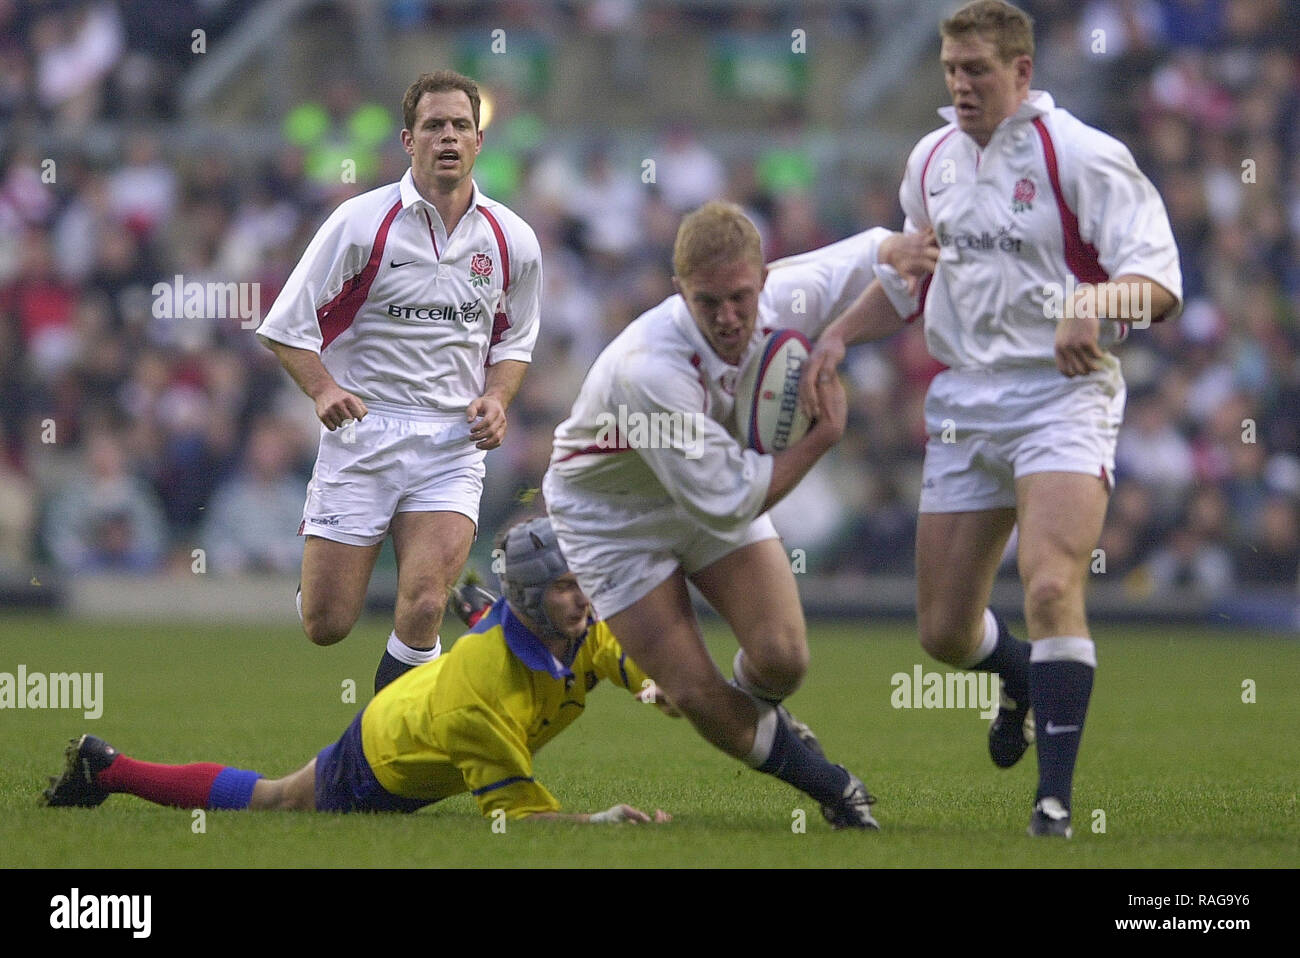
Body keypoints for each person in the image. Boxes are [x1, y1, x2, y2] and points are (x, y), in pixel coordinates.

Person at [802, 0, 1182, 837]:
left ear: (1022, 72)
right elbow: (909, 278)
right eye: (950, 69)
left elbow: (1159, 282)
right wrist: (835, 336)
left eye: (977, 70)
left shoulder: (1080, 155)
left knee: (1051, 584)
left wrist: (1097, 299)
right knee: (941, 633)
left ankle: (1054, 802)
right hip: (966, 399)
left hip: (1062, 393)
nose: (960, 84)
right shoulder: (931, 160)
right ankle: (1017, 675)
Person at [543, 200, 937, 830]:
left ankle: (758, 720)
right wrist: (820, 439)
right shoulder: (652, 369)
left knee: (784, 657)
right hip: (612, 518)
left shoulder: (787, 295)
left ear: (763, 279)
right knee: (697, 694)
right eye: (707, 302)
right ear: (680, 292)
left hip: (713, 481)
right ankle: (833, 788)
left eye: (741, 298)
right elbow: (730, 505)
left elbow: (870, 254)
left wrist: (900, 251)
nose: (728, 317)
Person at [42, 518, 670, 825]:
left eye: (584, 582)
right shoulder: (481, 701)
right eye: (565, 587)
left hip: (433, 694)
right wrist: (596, 823)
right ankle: (112, 769)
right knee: (279, 799)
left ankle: (483, 610)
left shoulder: (579, 624)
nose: (585, 599)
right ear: (532, 598)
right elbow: (517, 816)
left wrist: (652, 681)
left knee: (490, 653)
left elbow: (620, 648)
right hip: (380, 758)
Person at [255, 71, 543, 692]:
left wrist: (497, 398)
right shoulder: (360, 224)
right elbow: (285, 325)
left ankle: (386, 755)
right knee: (326, 623)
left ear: (478, 142)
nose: (448, 137)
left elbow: (515, 341)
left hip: (451, 442)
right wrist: (324, 389)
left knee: (423, 603)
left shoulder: (512, 239)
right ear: (408, 140)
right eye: (434, 126)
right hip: (365, 430)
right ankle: (322, 571)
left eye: (460, 126)